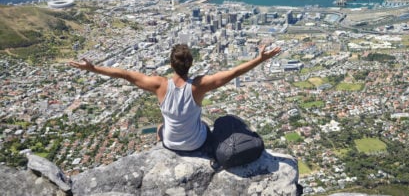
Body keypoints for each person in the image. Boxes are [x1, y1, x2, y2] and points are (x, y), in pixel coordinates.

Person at [69, 43, 281, 155]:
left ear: (171, 64)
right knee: (206, 124)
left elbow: (124, 74)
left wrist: (93, 68)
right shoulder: (199, 86)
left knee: (162, 125)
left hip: (170, 143)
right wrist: (260, 59)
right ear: (190, 64)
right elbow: (233, 73)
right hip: (196, 143)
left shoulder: (159, 85)